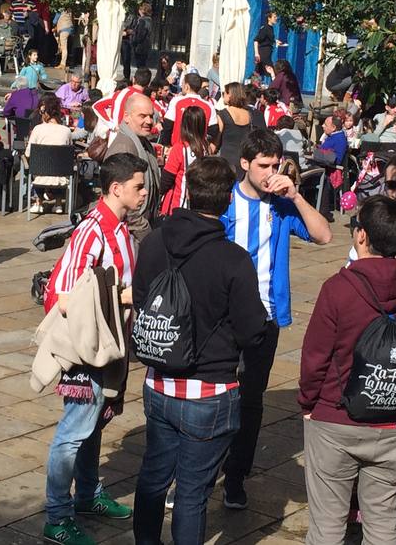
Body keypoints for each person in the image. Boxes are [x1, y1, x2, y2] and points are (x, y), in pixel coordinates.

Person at [132, 156, 269, 545]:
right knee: (192, 494)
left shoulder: (155, 242)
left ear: (188, 192)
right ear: (226, 200)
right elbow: (250, 329)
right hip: (209, 393)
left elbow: (141, 299)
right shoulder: (233, 259)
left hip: (158, 384)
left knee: (153, 477)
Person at [299, 196, 396, 545]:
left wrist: (308, 404)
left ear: (362, 236)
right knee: (383, 527)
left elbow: (315, 357)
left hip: (334, 420)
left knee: (326, 527)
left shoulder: (337, 290)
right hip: (394, 424)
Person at [219, 128, 333, 509]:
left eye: (275, 165)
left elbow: (324, 237)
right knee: (217, 397)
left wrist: (296, 195)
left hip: (266, 319)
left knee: (251, 400)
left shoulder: (281, 206)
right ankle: (203, 472)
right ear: (245, 164)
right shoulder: (225, 204)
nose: (270, 173)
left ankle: (236, 478)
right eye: (263, 166)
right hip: (225, 318)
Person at [40, 153, 149, 545]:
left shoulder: (119, 225)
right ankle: (57, 516)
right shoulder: (93, 230)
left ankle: (86, 495)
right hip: (87, 347)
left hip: (109, 344)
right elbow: (65, 296)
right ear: (116, 188)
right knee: (72, 432)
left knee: (93, 425)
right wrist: (124, 296)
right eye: (138, 186)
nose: (144, 192)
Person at [104, 92, 162, 241]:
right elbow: (122, 200)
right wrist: (146, 233)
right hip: (129, 234)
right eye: (142, 116)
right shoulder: (124, 147)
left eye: (151, 115)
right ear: (127, 117)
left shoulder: (144, 143)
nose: (149, 121)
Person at [25, 93, 74, 214]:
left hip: (40, 176)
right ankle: (58, 204)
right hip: (60, 177)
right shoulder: (66, 131)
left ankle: (38, 202)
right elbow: (69, 153)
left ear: (44, 112)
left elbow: (28, 153)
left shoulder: (37, 129)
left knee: (35, 166)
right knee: (58, 164)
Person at [159, 105, 210, 216]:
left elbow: (167, 179)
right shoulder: (206, 147)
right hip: (198, 205)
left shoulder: (180, 148)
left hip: (179, 204)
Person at [217, 81, 262, 173]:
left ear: (230, 95)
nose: (223, 96)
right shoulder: (249, 114)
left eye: (224, 93)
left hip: (227, 158)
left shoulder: (223, 114)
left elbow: (217, 139)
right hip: (244, 158)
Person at [121, 1, 153, 82]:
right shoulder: (149, 20)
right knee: (142, 65)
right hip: (145, 46)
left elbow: (140, 35)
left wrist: (133, 41)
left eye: (141, 9)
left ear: (143, 11)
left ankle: (142, 80)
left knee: (141, 66)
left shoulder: (142, 20)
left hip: (140, 47)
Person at [253, 11, 278, 79]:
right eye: (274, 17)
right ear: (269, 18)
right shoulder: (265, 28)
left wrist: (276, 41)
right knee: (272, 72)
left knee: (257, 73)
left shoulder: (270, 28)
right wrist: (256, 53)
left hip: (267, 54)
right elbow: (256, 40)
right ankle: (276, 87)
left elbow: (268, 39)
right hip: (264, 55)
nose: (276, 18)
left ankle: (250, 86)